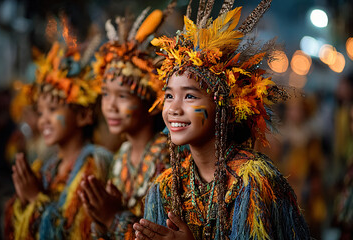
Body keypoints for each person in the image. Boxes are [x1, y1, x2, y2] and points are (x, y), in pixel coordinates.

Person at [133, 0, 311, 239]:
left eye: (189, 96)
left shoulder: (253, 181)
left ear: (224, 106)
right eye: (168, 96)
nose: (173, 108)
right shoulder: (165, 186)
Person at [78, 3, 176, 239]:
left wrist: (113, 217)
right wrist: (100, 220)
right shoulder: (121, 156)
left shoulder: (168, 156)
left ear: (152, 104)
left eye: (122, 96)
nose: (110, 106)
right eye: (106, 94)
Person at [4, 30, 112, 240]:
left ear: (83, 115)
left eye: (53, 110)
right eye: (40, 112)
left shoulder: (93, 165)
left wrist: (36, 198)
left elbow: (79, 232)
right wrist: (23, 200)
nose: (43, 119)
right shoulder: (49, 167)